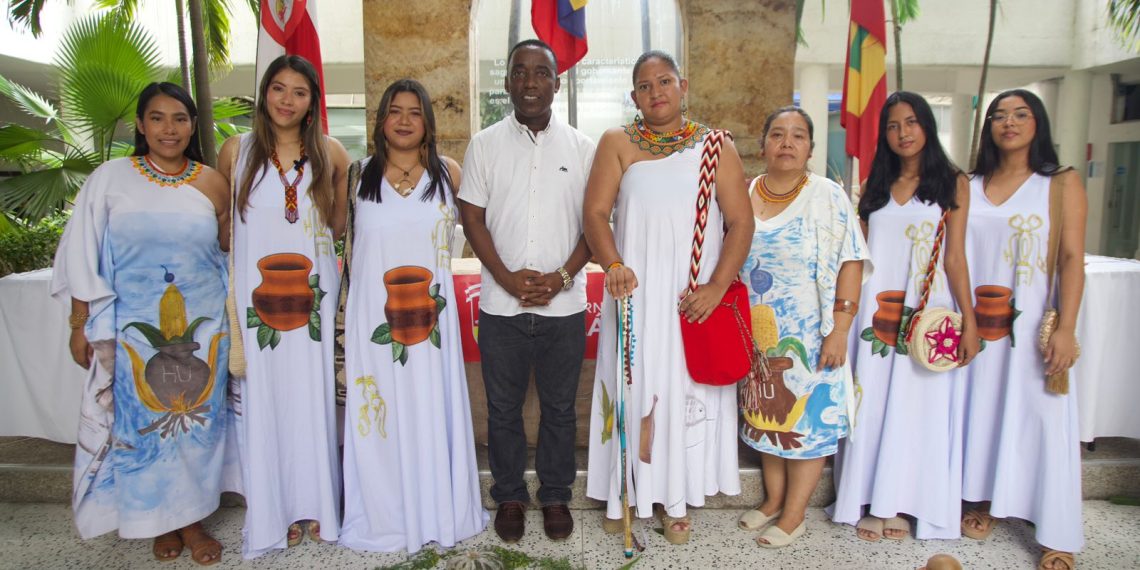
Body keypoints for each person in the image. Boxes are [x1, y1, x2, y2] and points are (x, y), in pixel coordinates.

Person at [52, 82, 230, 565]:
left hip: (202, 328)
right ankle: (160, 520)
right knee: (144, 424)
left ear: (193, 126)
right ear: (140, 124)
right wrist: (79, 322)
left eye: (179, 118)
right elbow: (81, 254)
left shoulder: (213, 182)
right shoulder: (110, 178)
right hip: (135, 330)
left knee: (196, 425)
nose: (168, 129)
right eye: (157, 118)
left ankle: (191, 519)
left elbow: (227, 251)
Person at [584, 50, 753, 545]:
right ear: (633, 95)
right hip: (633, 292)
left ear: (683, 85)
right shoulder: (617, 142)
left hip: (692, 299)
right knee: (633, 389)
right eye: (643, 85)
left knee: (684, 392)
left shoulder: (716, 145)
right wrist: (613, 264)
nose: (655, 91)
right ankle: (628, 492)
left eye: (664, 81)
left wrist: (717, 287)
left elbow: (741, 222)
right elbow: (595, 214)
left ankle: (676, 500)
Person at [339, 79, 488, 552]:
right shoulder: (356, 174)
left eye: (414, 112)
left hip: (431, 326)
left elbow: (482, 233)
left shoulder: (449, 173)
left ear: (428, 122)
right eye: (394, 111)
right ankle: (384, 517)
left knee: (429, 408)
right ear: (380, 119)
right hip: (373, 325)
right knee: (379, 417)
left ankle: (438, 508)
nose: (404, 120)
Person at [458, 39, 595, 543]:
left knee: (561, 409)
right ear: (508, 81)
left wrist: (561, 276)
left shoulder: (583, 148)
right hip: (501, 305)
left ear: (557, 82)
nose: (531, 82)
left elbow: (595, 222)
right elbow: (471, 216)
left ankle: (556, 494)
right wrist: (503, 276)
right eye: (521, 72)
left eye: (542, 73)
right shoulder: (484, 144)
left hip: (564, 306)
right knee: (503, 409)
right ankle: (511, 495)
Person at [829, 92, 979, 542]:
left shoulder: (953, 183)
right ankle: (870, 499)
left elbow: (955, 259)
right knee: (871, 404)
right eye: (893, 126)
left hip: (927, 318)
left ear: (927, 126)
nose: (903, 133)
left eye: (911, 123)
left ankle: (909, 503)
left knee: (919, 410)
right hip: (876, 314)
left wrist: (969, 321)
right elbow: (858, 254)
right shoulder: (876, 183)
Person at [217, 54, 350, 558]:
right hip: (261, 303)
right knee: (267, 402)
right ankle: (274, 509)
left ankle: (318, 505)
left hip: (313, 300)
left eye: (299, 91)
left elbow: (336, 229)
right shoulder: (237, 151)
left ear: (313, 101)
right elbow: (224, 226)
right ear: (264, 94)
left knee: (313, 400)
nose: (287, 100)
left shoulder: (331, 154)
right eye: (278, 88)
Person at [961, 89, 1086, 570]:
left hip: (1032, 325)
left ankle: (1056, 529)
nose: (1008, 122)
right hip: (973, 324)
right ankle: (982, 499)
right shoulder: (968, 184)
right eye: (998, 115)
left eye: (1020, 114)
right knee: (982, 411)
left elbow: (1073, 259)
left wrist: (1066, 326)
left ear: (1039, 124)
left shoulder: (1059, 182)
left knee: (1042, 418)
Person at [734, 106, 869, 548]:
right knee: (767, 419)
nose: (787, 142)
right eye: (777, 133)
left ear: (810, 147)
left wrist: (841, 329)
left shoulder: (828, 196)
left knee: (807, 426)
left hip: (812, 335)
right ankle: (773, 500)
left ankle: (794, 516)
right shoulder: (743, 191)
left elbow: (851, 260)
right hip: (758, 334)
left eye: (797, 135)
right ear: (763, 145)